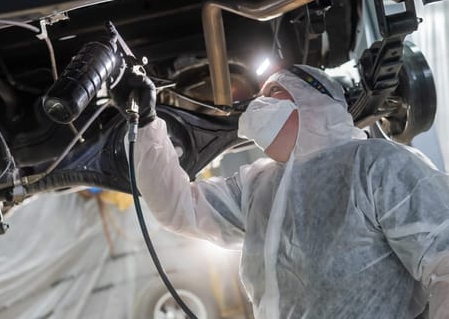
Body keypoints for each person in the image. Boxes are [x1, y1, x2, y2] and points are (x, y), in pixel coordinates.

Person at [115, 65, 449, 318]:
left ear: (314, 99)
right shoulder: (258, 187)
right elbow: (178, 208)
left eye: (272, 92)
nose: (258, 104)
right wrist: (145, 122)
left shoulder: (376, 164)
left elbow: (444, 256)